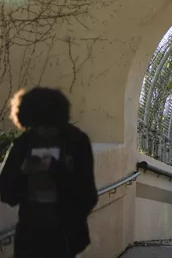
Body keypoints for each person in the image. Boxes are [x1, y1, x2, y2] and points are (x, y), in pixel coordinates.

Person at [0, 87, 98, 258]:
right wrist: (23, 173)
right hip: (30, 236)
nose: (44, 132)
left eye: (49, 126)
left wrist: (56, 171)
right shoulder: (24, 144)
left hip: (65, 237)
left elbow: (88, 195)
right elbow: (6, 193)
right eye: (38, 126)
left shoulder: (76, 142)